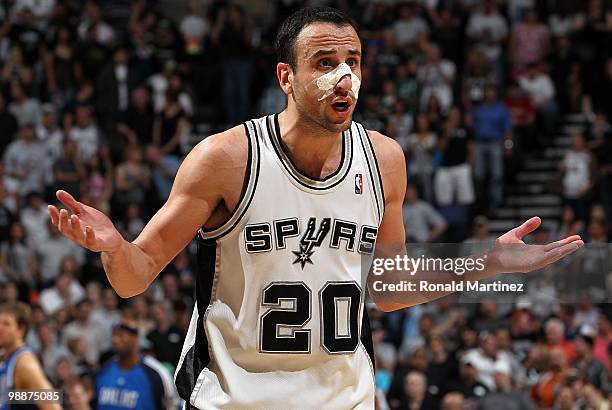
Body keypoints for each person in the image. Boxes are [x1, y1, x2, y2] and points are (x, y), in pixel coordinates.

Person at [48, 7, 583, 409]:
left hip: (344, 398)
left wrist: (486, 261)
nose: (344, 76)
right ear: (287, 77)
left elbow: (391, 288)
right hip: (234, 399)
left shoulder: (384, 160)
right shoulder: (225, 159)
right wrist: (115, 247)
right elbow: (133, 277)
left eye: (352, 61)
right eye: (325, 63)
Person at [94, 319, 179, 410]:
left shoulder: (157, 373)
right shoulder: (104, 370)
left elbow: (172, 406)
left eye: (121, 335)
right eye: (114, 335)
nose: (115, 339)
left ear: (135, 338)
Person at [0, 302, 61, 410]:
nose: (0, 328)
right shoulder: (5, 357)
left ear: (21, 329)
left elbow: (52, 405)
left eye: (6, 324)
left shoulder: (24, 363)